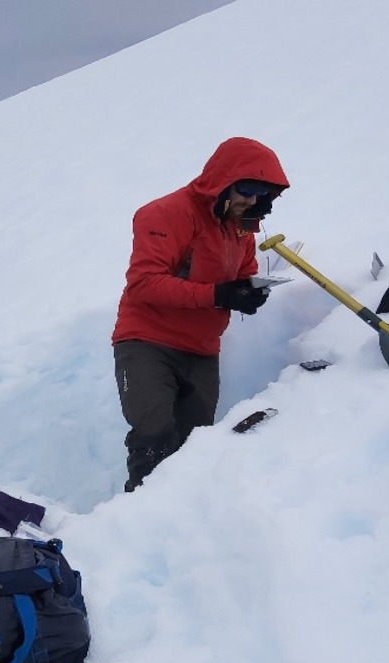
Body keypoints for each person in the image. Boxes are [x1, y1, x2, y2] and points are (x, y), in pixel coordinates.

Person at [111, 137, 289, 492]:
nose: (252, 200)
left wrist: (247, 293)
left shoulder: (240, 227)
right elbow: (144, 283)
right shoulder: (163, 214)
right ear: (223, 179)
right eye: (247, 187)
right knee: (154, 433)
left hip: (202, 349)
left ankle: (181, 527)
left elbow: (244, 271)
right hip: (147, 341)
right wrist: (217, 294)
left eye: (262, 193)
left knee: (194, 447)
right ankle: (136, 520)